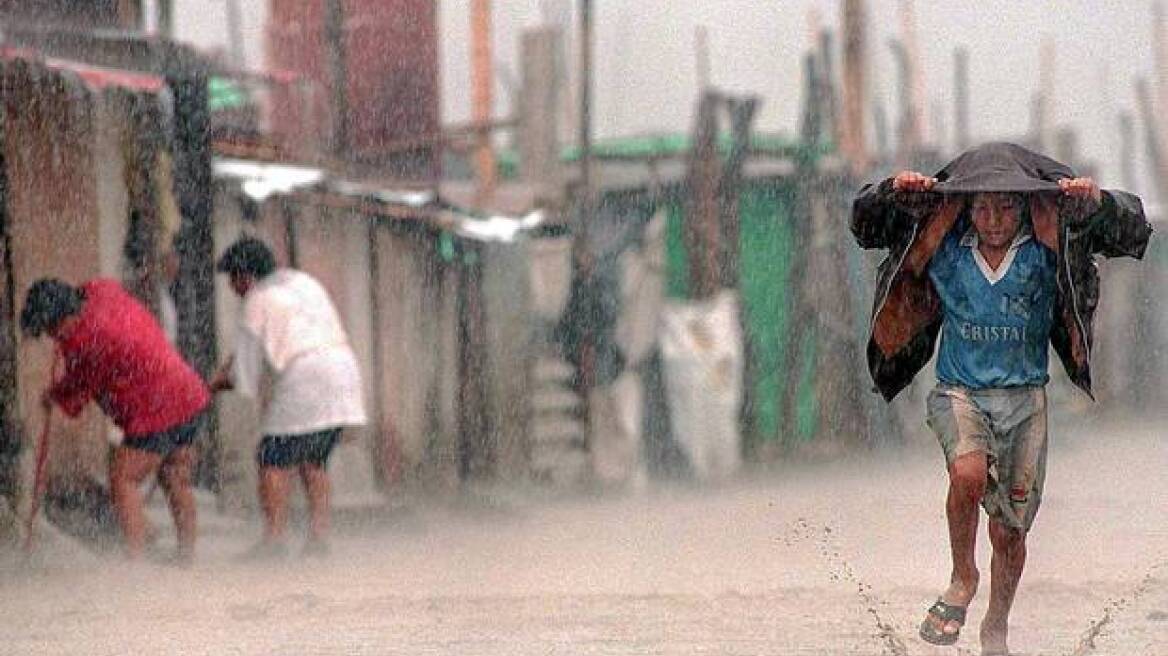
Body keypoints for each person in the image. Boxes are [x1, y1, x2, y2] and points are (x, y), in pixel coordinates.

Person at [850, 142, 1152, 655]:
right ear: (965, 206)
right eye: (981, 206)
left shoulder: (1051, 246)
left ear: (1024, 206)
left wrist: (1095, 201)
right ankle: (962, 578)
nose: (992, 219)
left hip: (1026, 402)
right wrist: (892, 193)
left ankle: (996, 625)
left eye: (1006, 206)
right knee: (966, 474)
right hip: (958, 391)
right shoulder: (943, 246)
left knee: (1010, 534)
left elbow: (1135, 232)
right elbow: (864, 224)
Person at [21, 278, 211, 563]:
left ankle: (135, 562)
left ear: (64, 318)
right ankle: (187, 556)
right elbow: (96, 287)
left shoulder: (86, 341)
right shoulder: (100, 293)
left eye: (52, 329)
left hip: (156, 407)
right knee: (175, 478)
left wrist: (54, 396)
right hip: (187, 392)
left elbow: (79, 390)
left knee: (123, 478)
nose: (52, 337)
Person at [210, 237, 366, 559]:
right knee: (314, 459)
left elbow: (244, 372)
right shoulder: (302, 282)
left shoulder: (257, 299)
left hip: (305, 376)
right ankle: (319, 538)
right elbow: (250, 348)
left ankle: (274, 539)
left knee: (271, 456)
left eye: (232, 279)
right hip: (343, 370)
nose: (232, 288)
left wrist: (213, 384)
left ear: (246, 276)